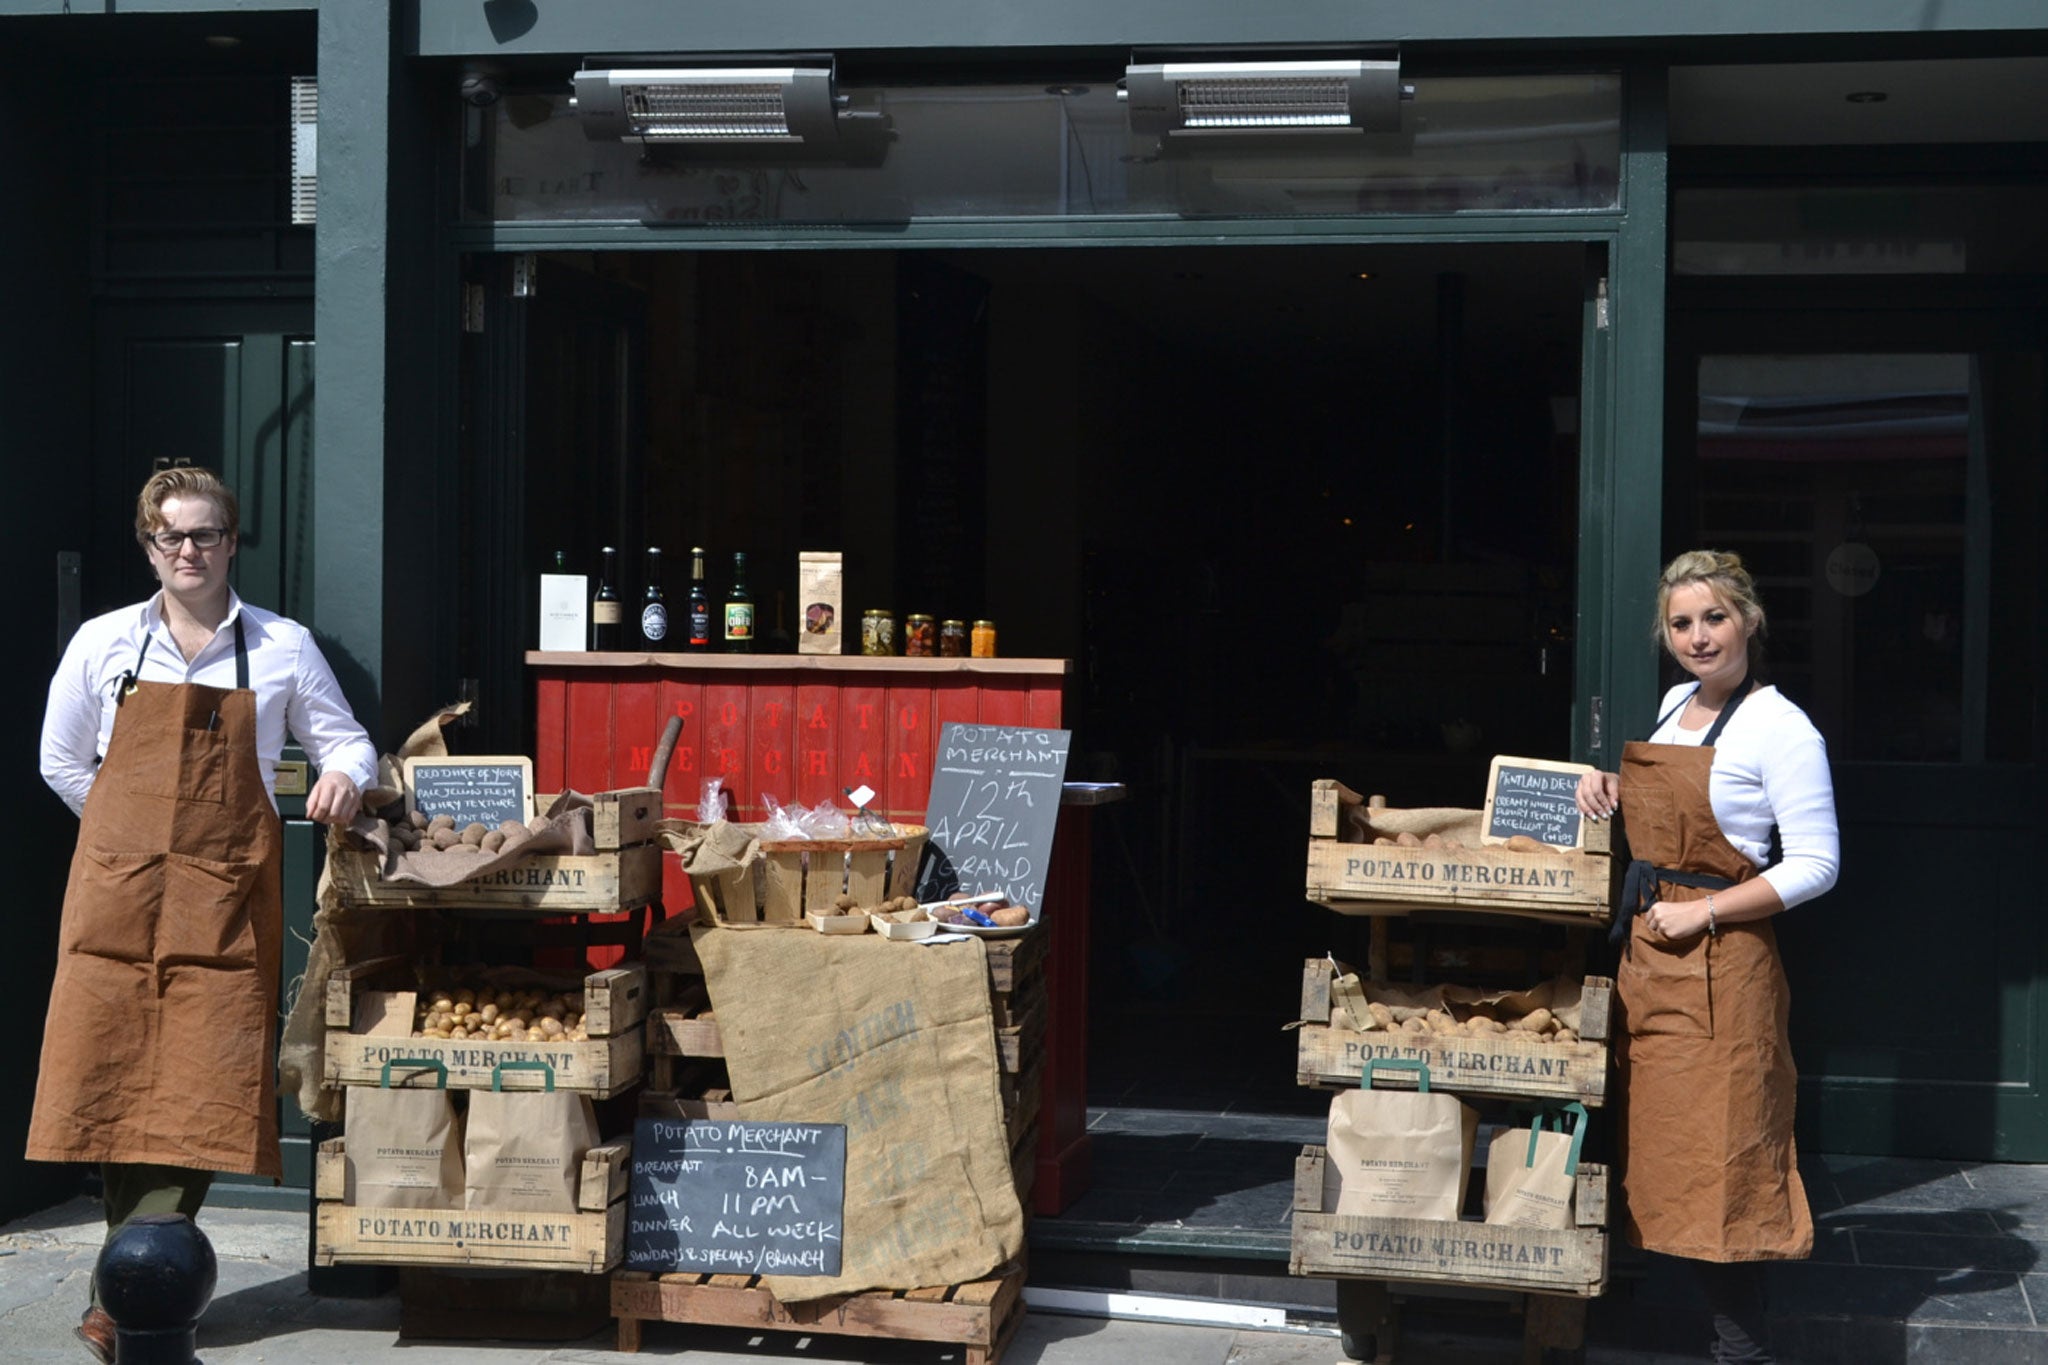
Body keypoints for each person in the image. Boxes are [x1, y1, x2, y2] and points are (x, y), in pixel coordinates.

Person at [31, 466, 378, 1363]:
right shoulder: (104, 642)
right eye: (171, 537)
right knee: (107, 1068)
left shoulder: (282, 646)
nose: (189, 551)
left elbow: (345, 742)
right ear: (149, 545)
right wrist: (123, 835)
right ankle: (128, 1281)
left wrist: (343, 774)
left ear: (233, 540)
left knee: (200, 1074)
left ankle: (139, 1278)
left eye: (207, 534)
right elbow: (61, 760)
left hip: (225, 895)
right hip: (118, 890)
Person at [1575, 549, 1839, 1365]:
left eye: (1714, 618)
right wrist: (1605, 789)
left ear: (1750, 622)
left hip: (1724, 965)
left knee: (1725, 1163)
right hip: (1656, 964)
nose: (1698, 637)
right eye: (1682, 622)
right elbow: (1666, 822)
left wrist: (1706, 913)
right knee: (1661, 1152)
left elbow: (1817, 864)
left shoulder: (1782, 726)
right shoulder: (1672, 705)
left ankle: (1741, 1351)